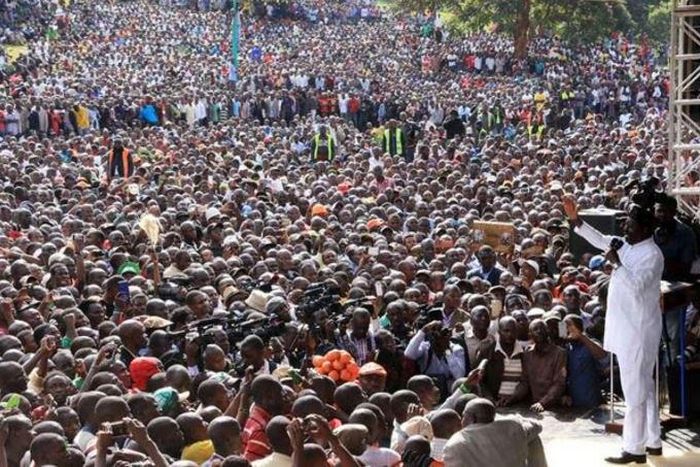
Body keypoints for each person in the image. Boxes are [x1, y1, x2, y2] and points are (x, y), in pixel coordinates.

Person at [564, 195, 664, 464]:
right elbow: (601, 239)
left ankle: (634, 448)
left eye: (630, 226)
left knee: (634, 392)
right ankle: (653, 440)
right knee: (645, 388)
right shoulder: (629, 245)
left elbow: (638, 286)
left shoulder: (652, 255)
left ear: (644, 229)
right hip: (627, 329)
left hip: (638, 332)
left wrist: (618, 262)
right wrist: (576, 219)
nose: (624, 230)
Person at [442, 398, 546, 467]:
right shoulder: (514, 426)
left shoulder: (455, 444)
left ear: (472, 418)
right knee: (533, 438)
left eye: (464, 415)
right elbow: (537, 426)